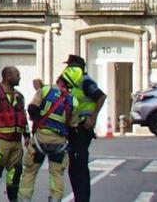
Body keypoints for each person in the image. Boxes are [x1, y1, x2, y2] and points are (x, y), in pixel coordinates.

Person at [19, 68, 81, 202]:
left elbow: (32, 108)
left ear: (59, 79)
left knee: (29, 173)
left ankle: (24, 199)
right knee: (56, 175)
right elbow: (73, 126)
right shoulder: (73, 101)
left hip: (39, 141)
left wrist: (36, 121)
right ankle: (55, 199)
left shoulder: (46, 90)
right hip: (59, 143)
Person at [62, 55, 106, 202]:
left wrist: (93, 118)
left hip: (82, 127)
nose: (67, 68)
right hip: (73, 127)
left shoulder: (85, 81)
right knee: (74, 167)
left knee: (78, 165)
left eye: (69, 66)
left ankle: (82, 199)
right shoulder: (72, 82)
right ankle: (80, 197)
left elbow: (101, 97)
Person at [0, 67, 27, 202]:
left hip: (16, 142)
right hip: (0, 140)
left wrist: (27, 136)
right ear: (8, 77)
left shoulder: (19, 96)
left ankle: (13, 199)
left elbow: (22, 116)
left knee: (15, 172)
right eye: (17, 75)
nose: (20, 77)